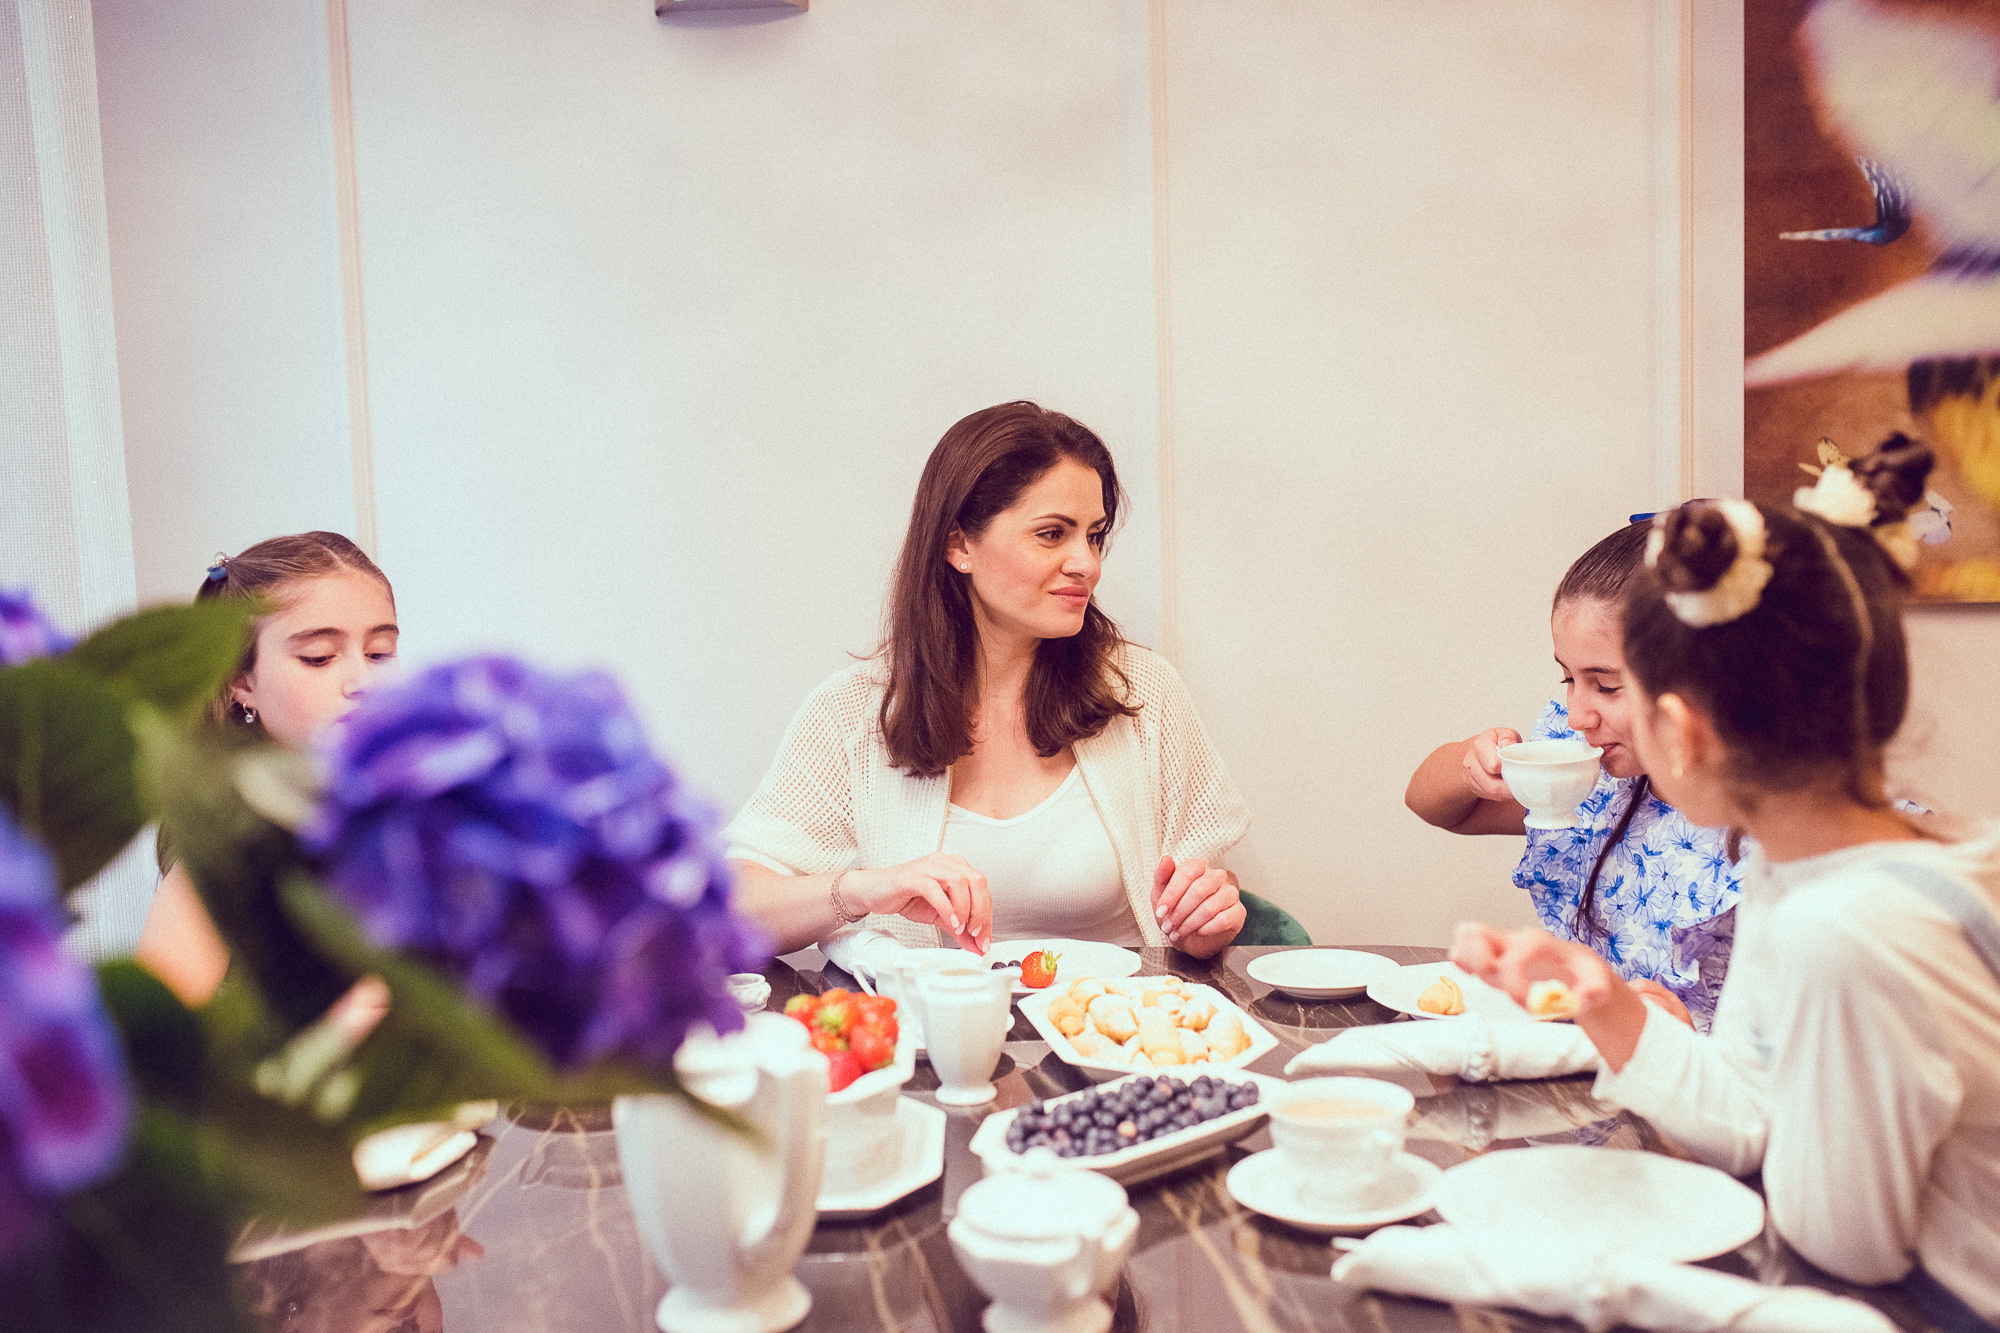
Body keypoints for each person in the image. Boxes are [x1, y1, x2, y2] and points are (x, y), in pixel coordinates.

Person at [1454, 440, 2000, 1330]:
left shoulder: (1845, 931)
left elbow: (1850, 1243)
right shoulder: (1816, 865)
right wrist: (1615, 1011)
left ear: (1682, 728)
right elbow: (1753, 1110)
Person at [726, 402, 1252, 959]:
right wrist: (861, 890)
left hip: (1110, 1035)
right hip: (930, 1042)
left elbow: (1206, 889)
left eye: (1094, 536)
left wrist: (1207, 920)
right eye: (1052, 534)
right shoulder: (854, 711)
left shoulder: (1141, 692)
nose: (1087, 564)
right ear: (959, 545)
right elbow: (732, 911)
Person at [1404, 521, 1739, 1027]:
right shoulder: (1594, 770)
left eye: (1606, 686)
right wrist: (1472, 768)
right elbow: (1431, 803)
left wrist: (1686, 1035)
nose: (1579, 713)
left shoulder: (1773, 829)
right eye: (1568, 678)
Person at [136, 533, 399, 1006]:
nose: (362, 680)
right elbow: (150, 1059)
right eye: (318, 657)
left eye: (379, 652)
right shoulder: (227, 856)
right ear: (242, 681)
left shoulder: (406, 824)